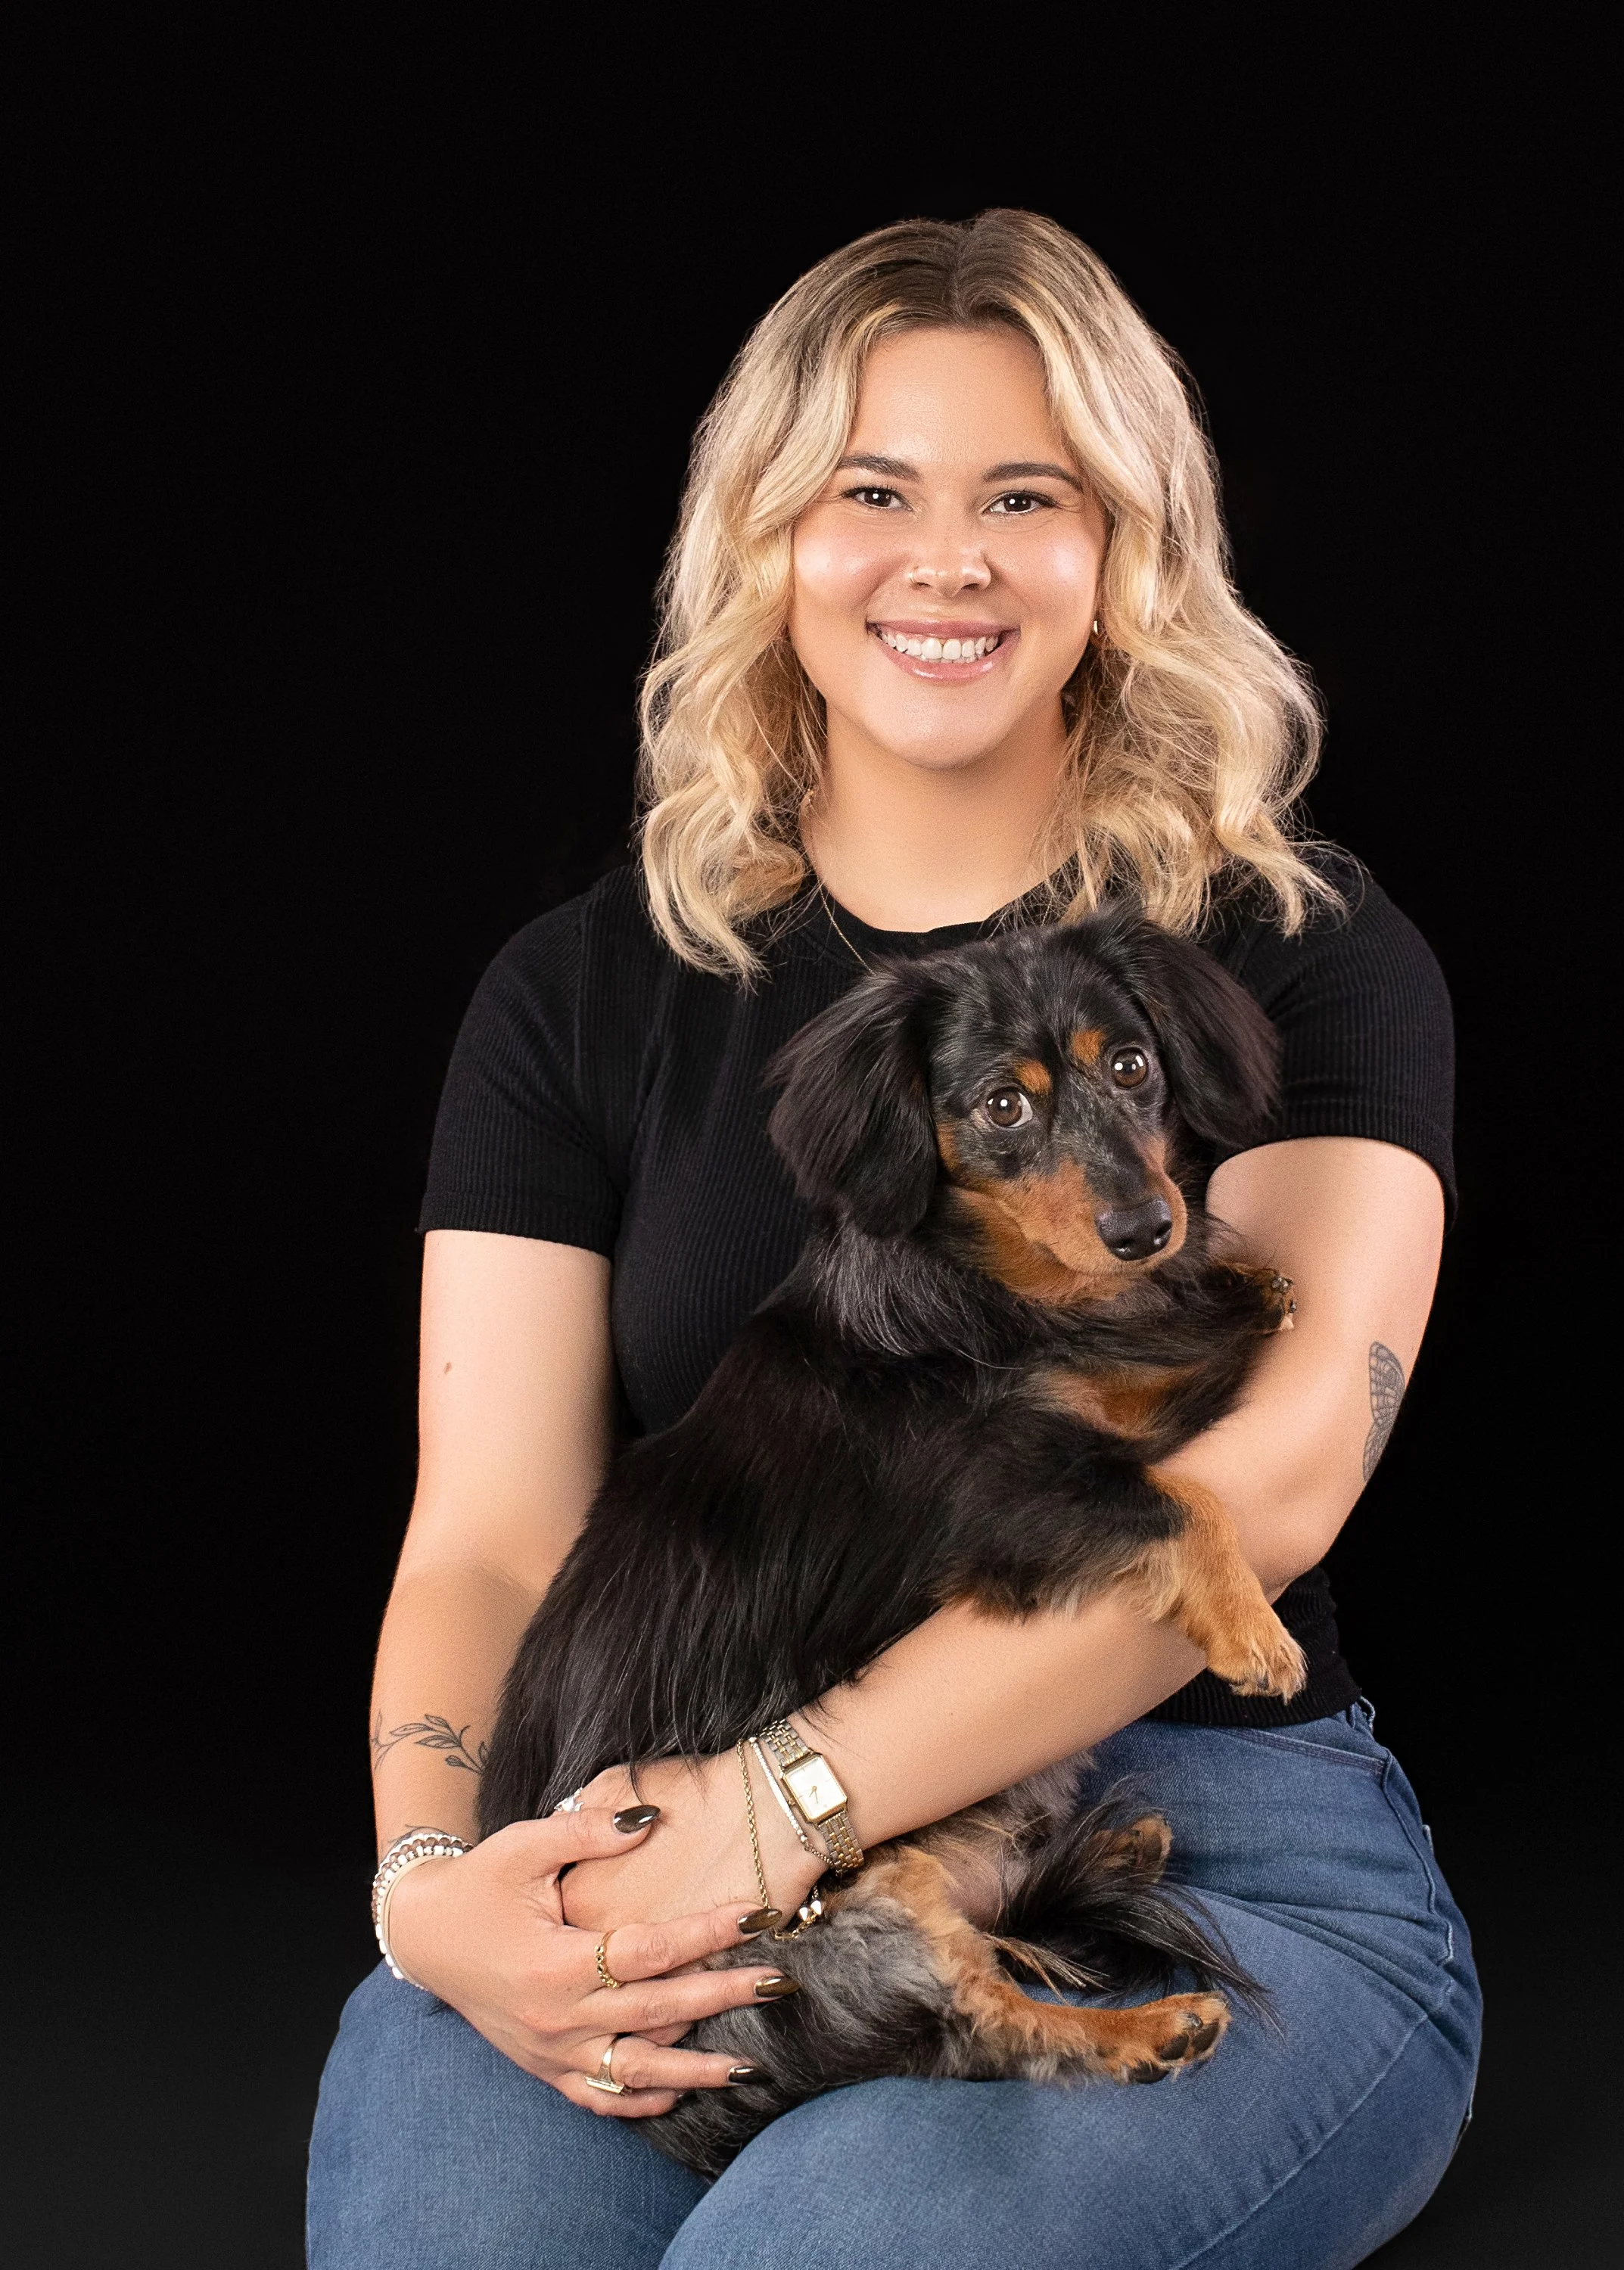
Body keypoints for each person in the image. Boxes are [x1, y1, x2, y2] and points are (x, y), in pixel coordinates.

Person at [308, 210, 1480, 2269]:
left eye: (1025, 495)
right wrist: (433, 1887)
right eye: (873, 493)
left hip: (1191, 1832)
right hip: (647, 1839)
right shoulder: (583, 994)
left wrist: (777, 1818)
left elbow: (1265, 1482)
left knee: (832, 2247)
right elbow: (491, 1542)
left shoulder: (1290, 952)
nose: (946, 559)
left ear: (1123, 550)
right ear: (767, 543)